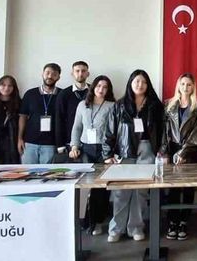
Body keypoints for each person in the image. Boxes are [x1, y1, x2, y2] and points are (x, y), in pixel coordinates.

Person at [104, 70, 163, 242]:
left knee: (140, 192)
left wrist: (163, 150)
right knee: (121, 191)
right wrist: (107, 154)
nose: (140, 85)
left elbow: (162, 131)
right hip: (125, 151)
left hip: (147, 150)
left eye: (143, 82)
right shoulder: (119, 105)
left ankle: (136, 227)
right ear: (130, 83)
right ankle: (116, 229)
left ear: (148, 85)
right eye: (137, 81)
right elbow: (109, 131)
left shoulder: (155, 105)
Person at [160, 73, 197, 241]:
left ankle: (184, 221)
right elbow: (164, 132)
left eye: (189, 84)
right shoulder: (168, 105)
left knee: (188, 189)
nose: (186, 87)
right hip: (172, 151)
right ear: (178, 86)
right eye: (183, 84)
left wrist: (184, 153)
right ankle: (172, 221)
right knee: (172, 188)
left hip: (191, 153)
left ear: (193, 87)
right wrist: (164, 152)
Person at [70, 75, 115, 236]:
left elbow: (113, 131)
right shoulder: (83, 105)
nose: (101, 89)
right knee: (84, 186)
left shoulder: (112, 106)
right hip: (86, 149)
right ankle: (83, 221)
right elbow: (77, 127)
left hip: (103, 150)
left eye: (105, 87)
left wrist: (111, 152)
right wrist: (74, 145)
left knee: (100, 188)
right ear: (93, 87)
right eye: (98, 86)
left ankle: (97, 221)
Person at [18, 63, 62, 164]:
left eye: (54, 74)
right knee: (27, 172)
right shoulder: (30, 94)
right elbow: (23, 117)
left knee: (47, 172)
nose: (50, 76)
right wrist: (19, 138)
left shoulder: (62, 95)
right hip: (29, 143)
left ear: (58, 77)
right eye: (47, 73)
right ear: (42, 74)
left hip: (51, 144)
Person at [55, 61, 90, 157]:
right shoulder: (63, 94)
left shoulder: (95, 92)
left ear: (88, 74)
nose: (80, 74)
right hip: (69, 142)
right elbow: (59, 119)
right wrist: (60, 145)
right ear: (72, 73)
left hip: (91, 143)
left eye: (83, 71)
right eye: (77, 71)